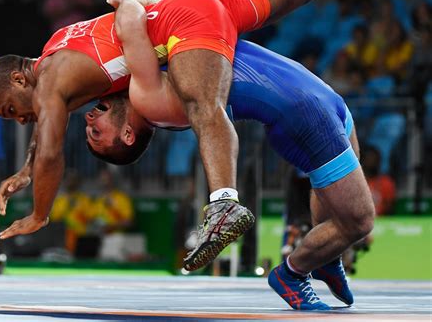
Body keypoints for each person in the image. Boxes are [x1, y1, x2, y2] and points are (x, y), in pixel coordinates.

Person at [0, 0, 414, 280]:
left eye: (10, 109)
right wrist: (26, 169)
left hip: (186, 19)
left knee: (204, 104)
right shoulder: (58, 45)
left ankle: (224, 202)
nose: (18, 120)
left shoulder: (56, 84)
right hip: (196, 2)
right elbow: (46, 132)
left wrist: (40, 213)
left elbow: (53, 149)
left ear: (22, 77)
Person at [81, 33, 370, 310]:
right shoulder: (154, 102)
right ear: (128, 134)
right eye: (95, 132)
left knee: (336, 202)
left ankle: (327, 258)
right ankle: (293, 273)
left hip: (323, 99)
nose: (88, 116)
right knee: (359, 220)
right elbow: (134, 26)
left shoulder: (149, 80)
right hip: (303, 114)